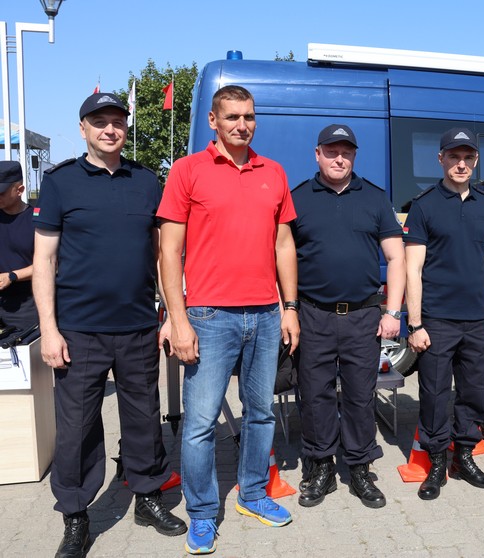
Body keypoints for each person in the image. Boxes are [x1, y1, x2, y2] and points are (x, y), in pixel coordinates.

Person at [32, 93, 186, 558]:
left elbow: (161, 255)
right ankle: (76, 516)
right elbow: (44, 260)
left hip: (138, 327)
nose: (110, 130)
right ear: (83, 128)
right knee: (77, 428)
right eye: (99, 122)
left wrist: (169, 315)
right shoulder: (60, 182)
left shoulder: (146, 181)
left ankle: (148, 497)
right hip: (78, 331)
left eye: (118, 121)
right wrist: (49, 329)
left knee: (144, 420)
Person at [158, 85, 299, 555]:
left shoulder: (273, 172)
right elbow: (169, 251)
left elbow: (283, 244)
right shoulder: (187, 170)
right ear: (213, 121)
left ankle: (252, 494)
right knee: (200, 422)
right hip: (209, 315)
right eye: (233, 116)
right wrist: (178, 320)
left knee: (260, 414)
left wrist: (289, 307)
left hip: (265, 314)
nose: (243, 124)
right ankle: (202, 513)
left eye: (249, 116)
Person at [291, 124, 405, 509]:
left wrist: (393, 311)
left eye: (346, 152)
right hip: (313, 315)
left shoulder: (374, 197)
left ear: (354, 156)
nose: (339, 159)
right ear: (317, 154)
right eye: (332, 151)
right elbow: (281, 257)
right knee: (315, 395)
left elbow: (396, 257)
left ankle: (358, 466)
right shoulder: (298, 199)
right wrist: (288, 309)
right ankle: (321, 465)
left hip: (363, 316)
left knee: (359, 395)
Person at [404, 127, 484, 500]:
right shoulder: (424, 205)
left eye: (467, 157)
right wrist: (415, 323)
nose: (461, 164)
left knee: (474, 393)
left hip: (478, 320)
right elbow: (413, 268)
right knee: (433, 394)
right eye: (453, 156)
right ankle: (435, 462)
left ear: (475, 161)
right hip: (437, 321)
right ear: (440, 159)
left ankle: (463, 457)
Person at [0, 161, 36, 332]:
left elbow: (51, 264)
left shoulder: (38, 220)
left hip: (26, 307)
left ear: (19, 190)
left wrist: (12, 276)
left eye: (1, 193)